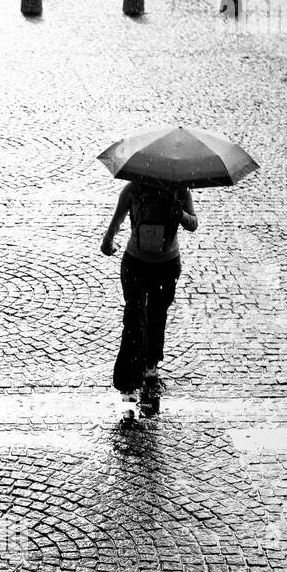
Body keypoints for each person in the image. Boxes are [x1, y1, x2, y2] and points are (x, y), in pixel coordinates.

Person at [101, 179, 198, 419]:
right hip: (135, 262)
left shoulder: (180, 191)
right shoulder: (133, 189)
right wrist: (108, 239)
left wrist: (181, 214)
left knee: (156, 315)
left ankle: (150, 363)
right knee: (134, 317)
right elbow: (118, 218)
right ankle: (128, 381)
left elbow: (193, 224)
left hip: (167, 265)